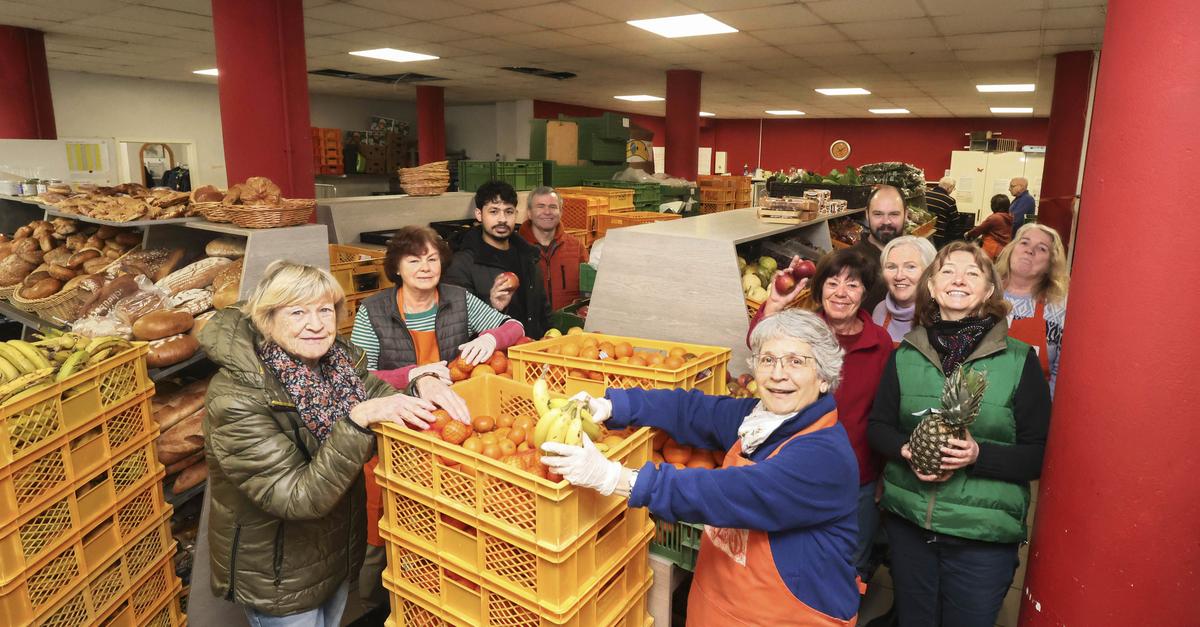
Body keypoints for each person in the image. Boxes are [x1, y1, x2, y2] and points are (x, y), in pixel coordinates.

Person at [542, 309, 861, 625]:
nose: (778, 373)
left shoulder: (825, 457)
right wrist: (613, 406)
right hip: (718, 604)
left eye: (795, 361)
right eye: (767, 360)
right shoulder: (761, 419)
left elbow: (729, 493)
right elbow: (690, 410)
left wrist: (615, 477)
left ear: (823, 378)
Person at [199, 260, 450, 626]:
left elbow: (375, 392)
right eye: (298, 311)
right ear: (267, 318)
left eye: (325, 310)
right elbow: (296, 497)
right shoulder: (236, 398)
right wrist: (358, 420)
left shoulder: (336, 362)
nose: (316, 324)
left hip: (332, 553)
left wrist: (418, 384)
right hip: (280, 574)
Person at [867, 241, 1051, 627]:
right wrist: (906, 450)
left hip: (982, 535)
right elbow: (878, 427)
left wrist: (977, 455)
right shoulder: (905, 355)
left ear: (988, 290)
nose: (959, 280)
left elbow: (1038, 455)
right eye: (947, 271)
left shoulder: (1020, 360)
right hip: (910, 524)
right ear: (931, 287)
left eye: (973, 272)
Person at [348, 224, 525, 610]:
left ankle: (443, 592)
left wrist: (491, 338)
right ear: (396, 266)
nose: (425, 267)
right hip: (398, 434)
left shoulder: (459, 299)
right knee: (391, 517)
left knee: (453, 518)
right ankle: (385, 598)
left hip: (457, 428)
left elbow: (515, 327)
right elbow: (357, 377)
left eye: (432, 259)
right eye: (414, 259)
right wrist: (414, 375)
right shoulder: (373, 310)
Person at [752, 248, 893, 582]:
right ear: (819, 289)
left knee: (848, 566)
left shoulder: (880, 343)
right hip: (797, 469)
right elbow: (758, 344)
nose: (841, 293)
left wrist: (884, 472)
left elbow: (886, 411)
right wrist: (773, 304)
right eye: (832, 283)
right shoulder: (803, 332)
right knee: (795, 563)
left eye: (853, 285)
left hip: (857, 475)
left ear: (865, 292)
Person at [444, 180, 550, 338]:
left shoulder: (529, 255)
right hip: (491, 357)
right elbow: (456, 325)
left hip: (530, 353)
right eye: (494, 212)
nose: (502, 219)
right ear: (479, 215)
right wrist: (492, 305)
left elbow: (543, 310)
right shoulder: (462, 263)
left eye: (508, 211)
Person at [995, 223, 1070, 396]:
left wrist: (1045, 413)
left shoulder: (1058, 309)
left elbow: (1060, 371)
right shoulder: (983, 294)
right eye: (1024, 243)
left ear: (1051, 264)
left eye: (1042, 249)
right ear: (1012, 249)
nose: (1030, 250)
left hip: (1030, 411)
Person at [518, 186, 586, 311]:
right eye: (540, 206)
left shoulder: (577, 247)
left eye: (553, 207)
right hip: (530, 328)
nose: (547, 212)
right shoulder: (515, 248)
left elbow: (587, 292)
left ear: (561, 212)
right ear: (529, 213)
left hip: (568, 327)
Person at [872, 235, 937, 346]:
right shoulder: (879, 311)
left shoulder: (940, 316)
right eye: (891, 267)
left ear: (929, 272)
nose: (899, 276)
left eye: (910, 267)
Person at [851, 185, 907, 311]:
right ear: (867, 214)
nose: (886, 221)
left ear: (906, 214)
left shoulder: (919, 256)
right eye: (878, 214)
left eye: (894, 214)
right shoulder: (850, 260)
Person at [967, 194, 1014, 259]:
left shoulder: (995, 218)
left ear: (995, 206)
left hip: (992, 250)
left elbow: (980, 229)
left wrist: (968, 234)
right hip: (1004, 249)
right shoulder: (1009, 217)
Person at [925, 176, 958, 248]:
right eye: (953, 188)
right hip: (938, 236)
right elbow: (954, 222)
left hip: (922, 234)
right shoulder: (949, 200)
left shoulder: (925, 194)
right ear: (949, 188)